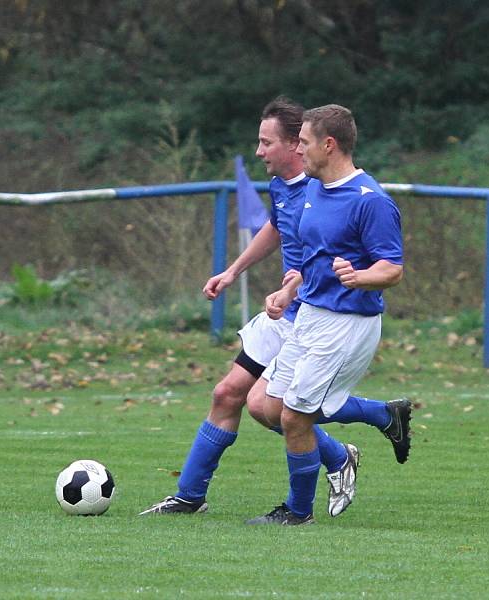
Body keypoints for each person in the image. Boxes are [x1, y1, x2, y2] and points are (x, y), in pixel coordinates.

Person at [140, 97, 411, 517]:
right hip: (297, 311)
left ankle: (301, 503)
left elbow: (386, 265)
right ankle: (193, 496)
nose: (261, 151)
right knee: (245, 399)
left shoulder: (353, 194)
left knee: (287, 412)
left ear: (319, 145)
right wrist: (248, 277)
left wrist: (348, 278)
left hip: (332, 317)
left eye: (272, 142)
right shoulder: (300, 189)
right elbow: (290, 238)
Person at [246, 104, 404, 526]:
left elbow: (392, 268)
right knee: (268, 407)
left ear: (329, 145)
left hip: (347, 323)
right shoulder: (313, 191)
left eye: (304, 142)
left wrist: (360, 276)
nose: (298, 149)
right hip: (310, 314)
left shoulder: (370, 201)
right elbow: (312, 260)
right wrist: (288, 290)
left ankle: (298, 513)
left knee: (296, 417)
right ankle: (383, 415)